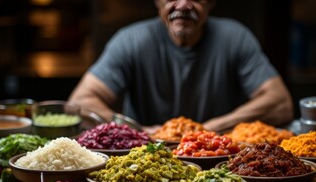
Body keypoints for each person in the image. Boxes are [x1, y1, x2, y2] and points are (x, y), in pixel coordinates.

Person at [68, 0, 294, 134]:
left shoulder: (235, 37)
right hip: (144, 160)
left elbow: (281, 103)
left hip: (217, 160)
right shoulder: (130, 41)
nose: (184, 5)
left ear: (211, 2)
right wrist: (141, 132)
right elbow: (79, 103)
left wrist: (209, 129)